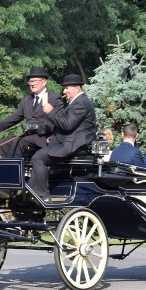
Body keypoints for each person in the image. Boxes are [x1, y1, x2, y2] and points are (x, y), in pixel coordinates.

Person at [27, 74, 97, 203]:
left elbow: (67, 124)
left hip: (74, 146)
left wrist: (51, 112)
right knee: (37, 155)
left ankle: (43, 195)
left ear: (77, 88)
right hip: (70, 142)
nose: (64, 91)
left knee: (38, 157)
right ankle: (31, 191)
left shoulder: (80, 103)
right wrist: (53, 136)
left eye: (66, 88)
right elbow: (69, 126)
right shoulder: (78, 101)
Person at [0, 67, 63, 157]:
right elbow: (14, 117)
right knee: (1, 143)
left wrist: (36, 127)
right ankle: (3, 170)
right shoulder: (26, 100)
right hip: (28, 137)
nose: (32, 84)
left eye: (35, 81)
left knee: (19, 142)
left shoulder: (54, 98)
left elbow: (56, 122)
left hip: (45, 138)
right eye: (31, 81)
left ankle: (15, 170)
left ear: (44, 82)